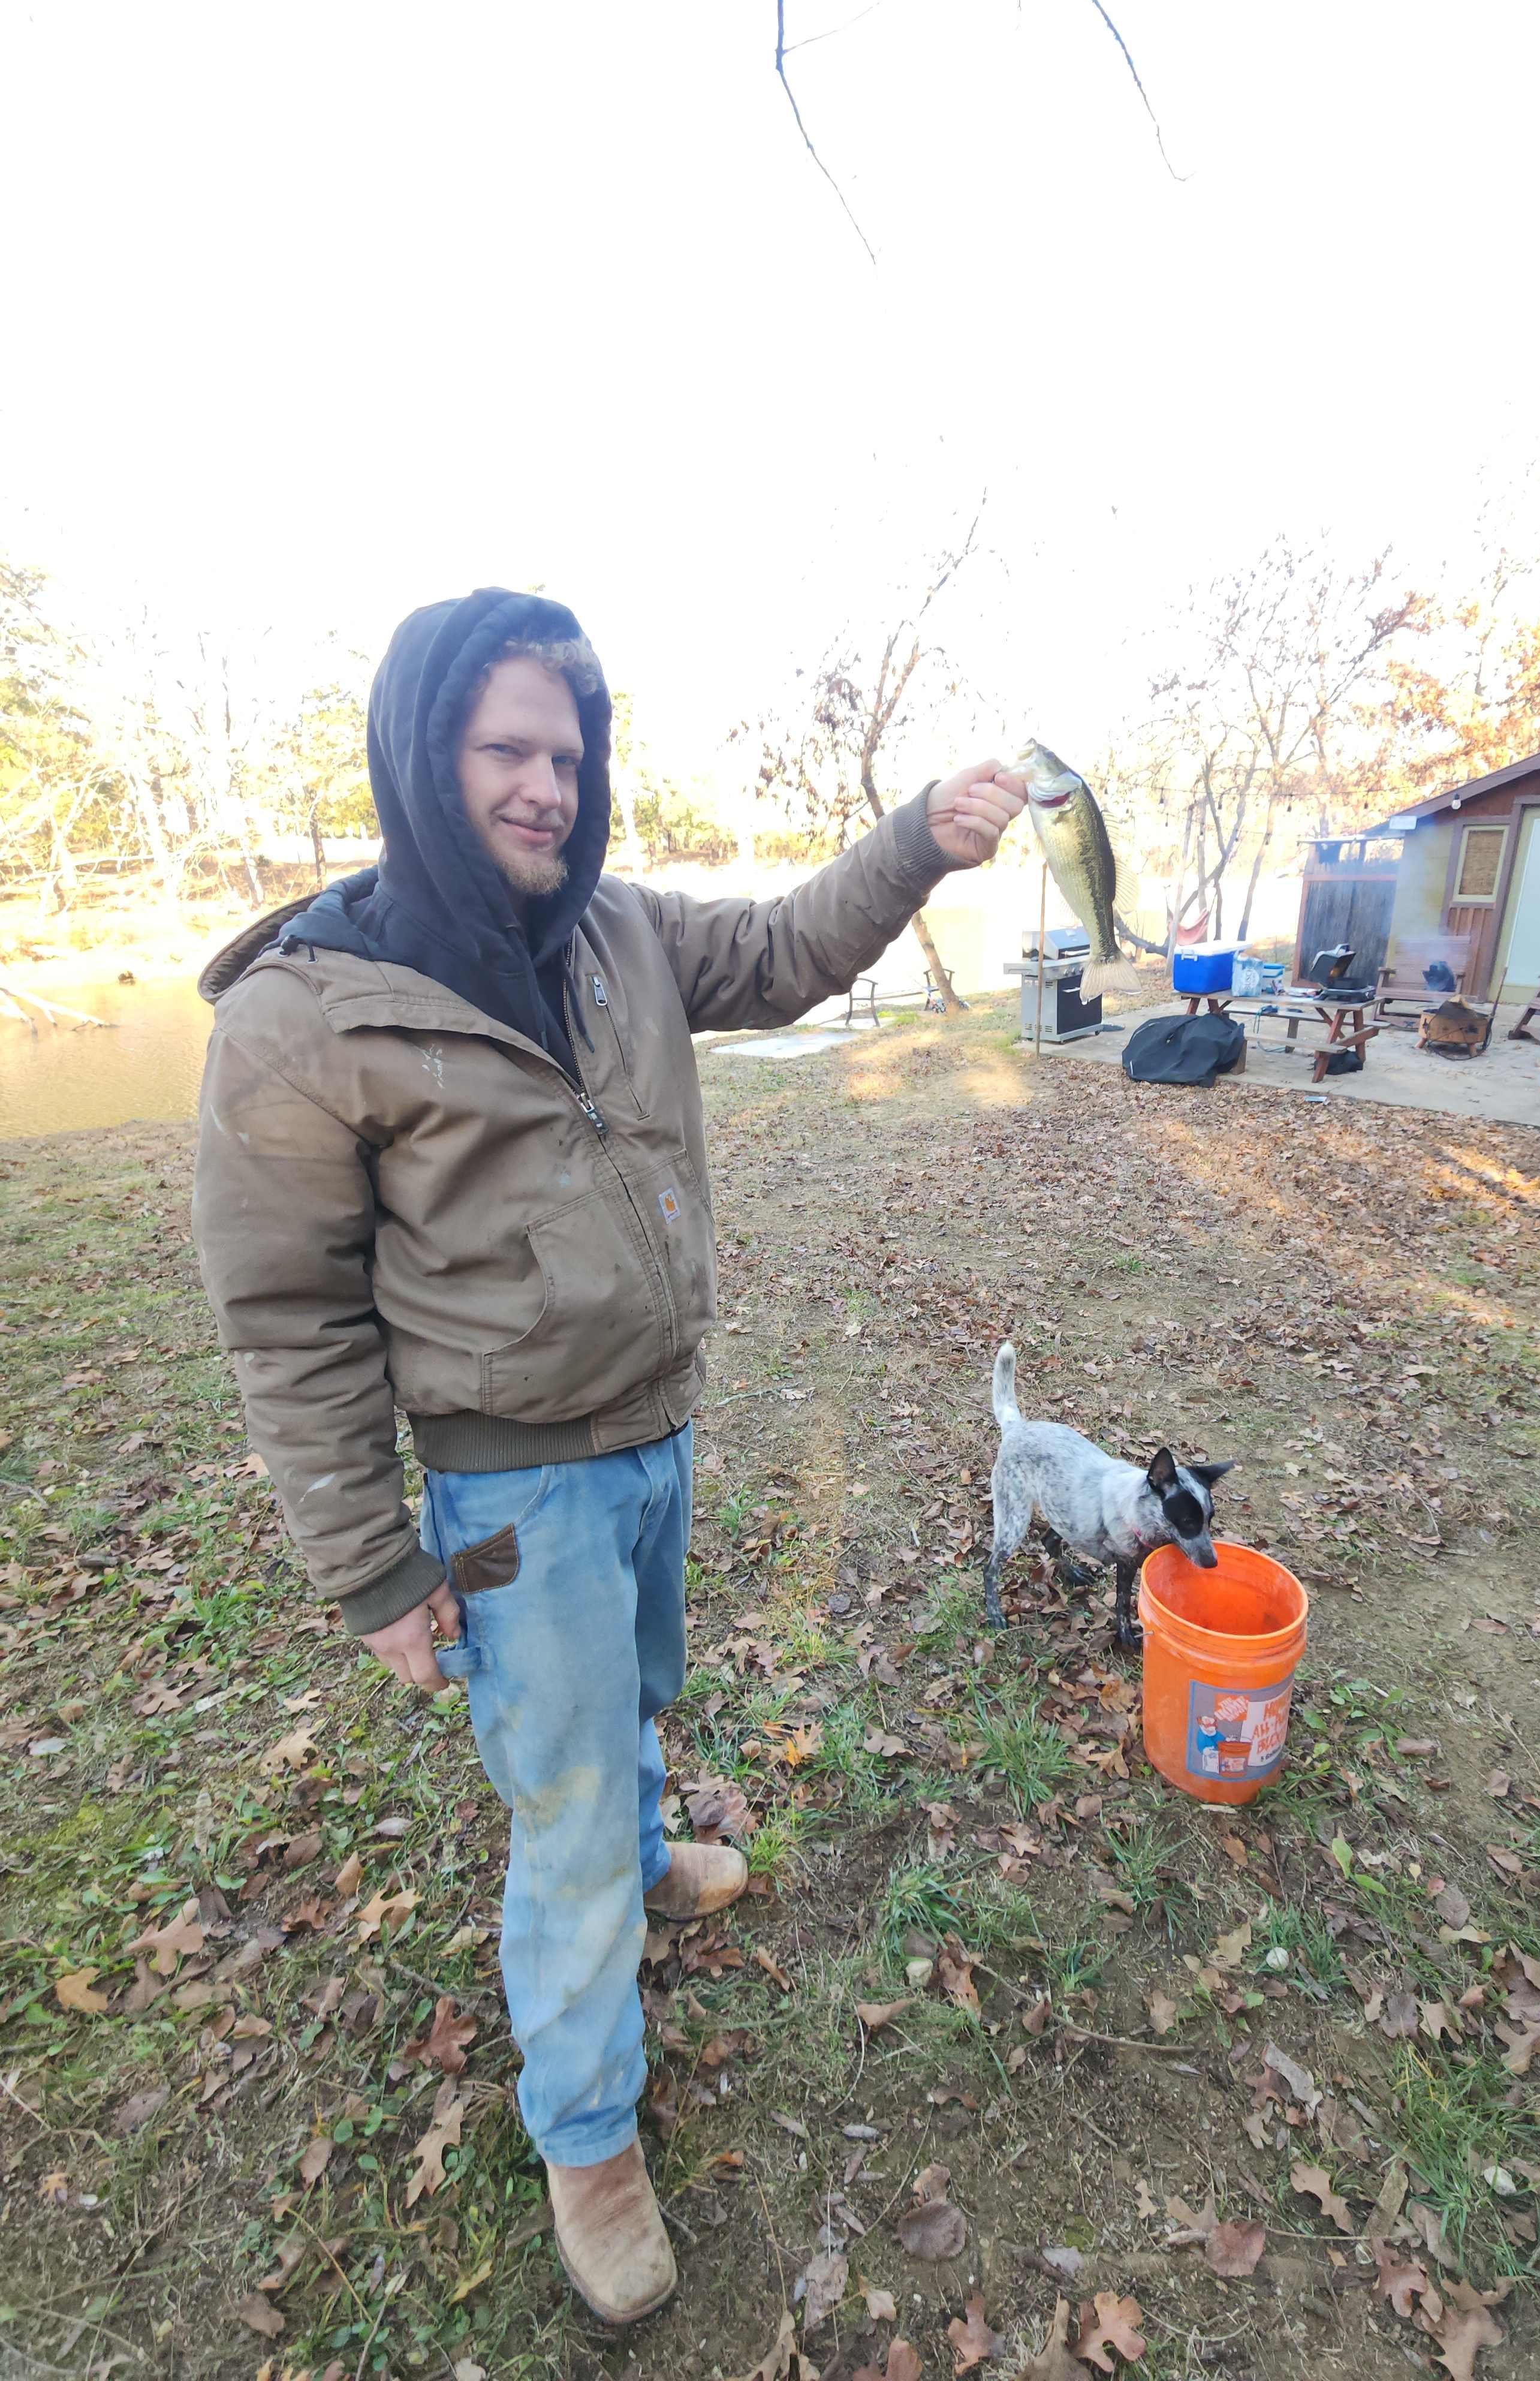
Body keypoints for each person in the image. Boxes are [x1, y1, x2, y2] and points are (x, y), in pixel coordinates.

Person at [190, 586, 1027, 2326]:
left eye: (568, 754)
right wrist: (374, 1570)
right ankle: (588, 2142)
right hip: (508, 1495)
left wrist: (918, 844)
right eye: (506, 748)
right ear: (427, 757)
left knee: (629, 1708)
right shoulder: (304, 1012)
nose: (545, 787)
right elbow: (289, 1316)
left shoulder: (617, 934)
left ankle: (655, 1860)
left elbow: (794, 949)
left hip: (656, 1430)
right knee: (559, 1817)